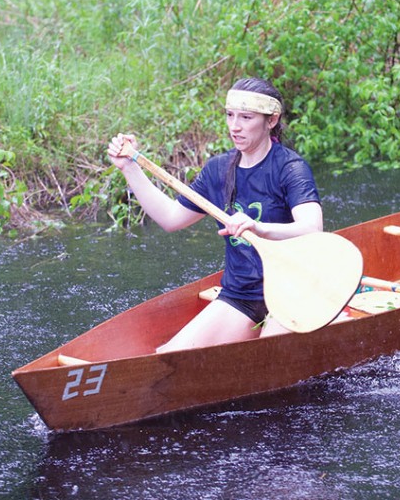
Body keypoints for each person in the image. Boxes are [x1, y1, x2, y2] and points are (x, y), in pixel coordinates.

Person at [107, 77, 323, 352]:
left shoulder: (290, 168)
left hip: (293, 291)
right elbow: (171, 219)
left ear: (271, 121)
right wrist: (129, 169)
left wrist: (258, 227)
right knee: (168, 356)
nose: (235, 126)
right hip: (242, 294)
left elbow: (312, 229)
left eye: (246, 117)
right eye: (230, 115)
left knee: (266, 359)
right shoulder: (218, 169)